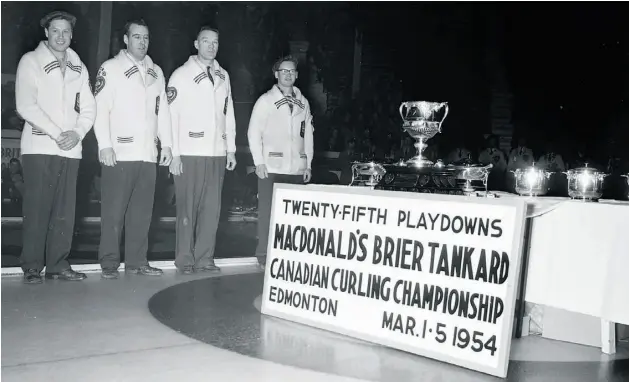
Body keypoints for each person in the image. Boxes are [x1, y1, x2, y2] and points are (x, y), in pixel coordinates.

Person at [15, 11, 96, 284]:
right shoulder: (31, 61)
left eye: (66, 32)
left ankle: (58, 264)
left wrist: (78, 132)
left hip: (70, 148)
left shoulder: (79, 67)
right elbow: (25, 105)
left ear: (72, 35)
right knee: (38, 209)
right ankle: (32, 267)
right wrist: (58, 133)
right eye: (55, 31)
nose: (61, 37)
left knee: (65, 211)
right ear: (46, 33)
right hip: (40, 145)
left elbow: (89, 107)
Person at [93, 19, 173, 279]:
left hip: (147, 154)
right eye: (137, 37)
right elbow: (100, 110)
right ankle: (108, 263)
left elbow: (164, 112)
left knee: (142, 213)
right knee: (113, 212)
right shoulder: (111, 68)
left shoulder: (156, 72)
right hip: (119, 153)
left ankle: (137, 261)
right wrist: (105, 145)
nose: (142, 42)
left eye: (146, 37)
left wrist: (167, 144)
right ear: (126, 39)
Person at [166, 26, 237, 274]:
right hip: (189, 151)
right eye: (206, 41)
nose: (211, 46)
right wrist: (174, 153)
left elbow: (228, 115)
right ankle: (185, 259)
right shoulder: (181, 75)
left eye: (215, 42)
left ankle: (205, 257)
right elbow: (170, 116)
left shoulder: (223, 76)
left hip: (216, 152)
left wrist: (231, 149)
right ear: (196, 44)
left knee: (211, 209)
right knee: (187, 209)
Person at [247, 55, 314, 268]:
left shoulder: (303, 103)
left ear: (297, 75)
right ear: (276, 74)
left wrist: (308, 163)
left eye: (292, 71)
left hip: (296, 168)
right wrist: (259, 162)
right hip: (272, 167)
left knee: (293, 216)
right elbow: (253, 132)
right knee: (268, 213)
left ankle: (289, 256)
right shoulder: (265, 101)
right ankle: (264, 255)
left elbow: (309, 135)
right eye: (284, 71)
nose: (288, 75)